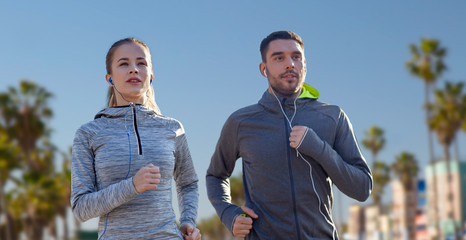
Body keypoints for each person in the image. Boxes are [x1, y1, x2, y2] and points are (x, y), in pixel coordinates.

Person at [206, 31, 373, 240]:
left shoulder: (332, 116)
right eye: (279, 58)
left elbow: (362, 188)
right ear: (263, 69)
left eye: (296, 57)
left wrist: (319, 149)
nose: (290, 64)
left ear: (305, 64)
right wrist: (228, 213)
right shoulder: (241, 121)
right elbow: (215, 175)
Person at [71, 38, 201, 240]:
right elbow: (81, 208)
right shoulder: (89, 133)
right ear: (110, 78)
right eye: (124, 64)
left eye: (141, 63)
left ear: (151, 76)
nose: (134, 69)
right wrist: (132, 186)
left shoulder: (173, 128)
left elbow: (188, 183)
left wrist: (188, 221)